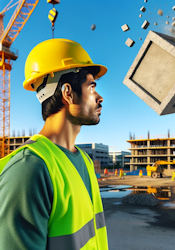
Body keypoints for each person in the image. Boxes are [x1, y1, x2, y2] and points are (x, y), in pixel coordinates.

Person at [0, 39, 109, 249]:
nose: (100, 97)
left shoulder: (84, 160)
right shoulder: (29, 170)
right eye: (91, 87)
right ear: (68, 93)